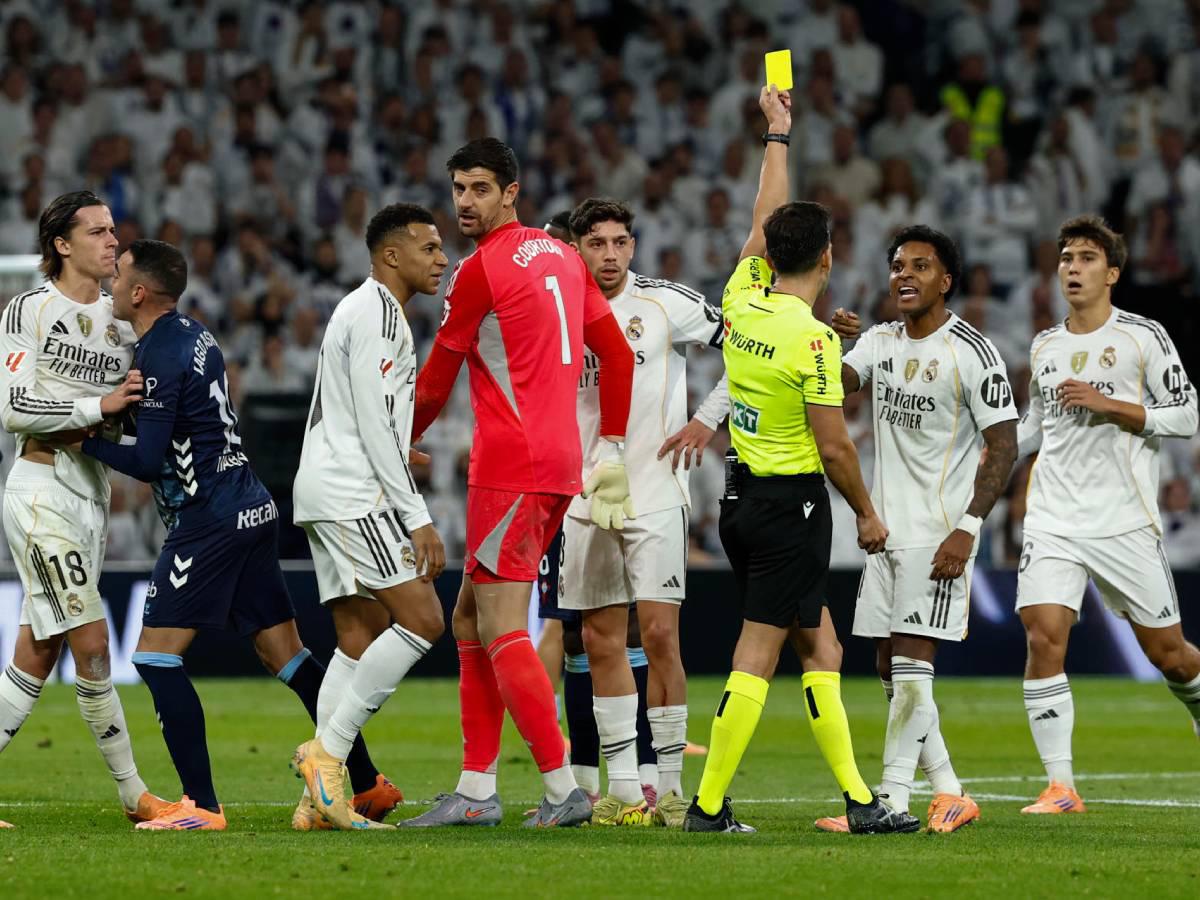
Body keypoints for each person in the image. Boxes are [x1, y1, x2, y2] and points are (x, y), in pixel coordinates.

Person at [76, 239, 396, 830]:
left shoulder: (163, 355)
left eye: (119, 276)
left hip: (209, 520)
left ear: (140, 292)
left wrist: (83, 437)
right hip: (250, 505)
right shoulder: (194, 336)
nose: (111, 285)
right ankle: (368, 781)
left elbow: (148, 461)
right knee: (288, 655)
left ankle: (200, 804)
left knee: (153, 657)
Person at [683, 86, 906, 834]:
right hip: (791, 506)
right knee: (757, 654)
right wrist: (868, 516)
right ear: (830, 256)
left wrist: (777, 135)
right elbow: (835, 441)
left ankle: (860, 801)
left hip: (743, 502)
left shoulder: (743, 298)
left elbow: (759, 220)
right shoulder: (813, 343)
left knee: (822, 645)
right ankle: (708, 805)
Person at [402, 138, 634, 828]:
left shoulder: (478, 273)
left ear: (512, 191)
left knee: (500, 624)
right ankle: (476, 790)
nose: (465, 203)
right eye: (457, 189)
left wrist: (391, 444)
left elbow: (437, 379)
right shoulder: (564, 255)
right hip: (559, 461)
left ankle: (562, 787)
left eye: (479, 189)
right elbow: (615, 355)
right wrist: (611, 449)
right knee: (469, 618)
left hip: (511, 466)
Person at [813, 225, 1018, 834]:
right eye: (898, 265)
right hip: (885, 533)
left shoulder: (973, 352)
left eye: (920, 266)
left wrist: (969, 527)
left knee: (909, 663)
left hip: (939, 533)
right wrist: (825, 339)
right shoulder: (879, 342)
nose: (905, 275)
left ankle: (892, 803)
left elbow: (1002, 446)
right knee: (886, 665)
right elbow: (835, 385)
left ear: (945, 281)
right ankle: (951, 791)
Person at [1014, 215, 1200, 814]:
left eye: (1087, 258)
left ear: (1112, 273)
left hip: (1123, 521)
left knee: (1170, 655)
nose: (1072, 267)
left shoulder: (1143, 336)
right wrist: (982, 447)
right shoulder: (1045, 345)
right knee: (1043, 635)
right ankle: (1061, 786)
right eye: (1066, 257)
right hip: (1053, 518)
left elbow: (1188, 416)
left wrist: (1112, 405)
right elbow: (1033, 430)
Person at [559, 196, 727, 827]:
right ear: (577, 246)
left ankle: (672, 787)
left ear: (633, 245)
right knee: (599, 639)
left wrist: (705, 421)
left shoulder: (667, 303)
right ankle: (624, 791)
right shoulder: (559, 305)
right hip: (584, 499)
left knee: (659, 636)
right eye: (597, 242)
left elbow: (748, 349)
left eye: (620, 242)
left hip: (656, 493)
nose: (609, 254)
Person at [0, 191, 166, 829]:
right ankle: (136, 796)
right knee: (93, 645)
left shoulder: (122, 322)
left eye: (114, 231)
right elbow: (14, 409)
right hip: (40, 493)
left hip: (90, 497)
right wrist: (99, 407)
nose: (112, 242)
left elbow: (134, 413)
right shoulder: (29, 310)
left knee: (37, 654)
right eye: (97, 232)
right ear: (61, 245)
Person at [290, 203, 450, 830]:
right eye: (429, 247)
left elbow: (355, 408)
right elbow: (377, 427)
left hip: (325, 485)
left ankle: (317, 802)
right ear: (392, 255)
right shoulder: (382, 315)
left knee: (357, 638)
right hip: (354, 493)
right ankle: (326, 758)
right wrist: (416, 514)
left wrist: (396, 440)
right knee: (424, 618)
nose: (441, 259)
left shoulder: (358, 308)